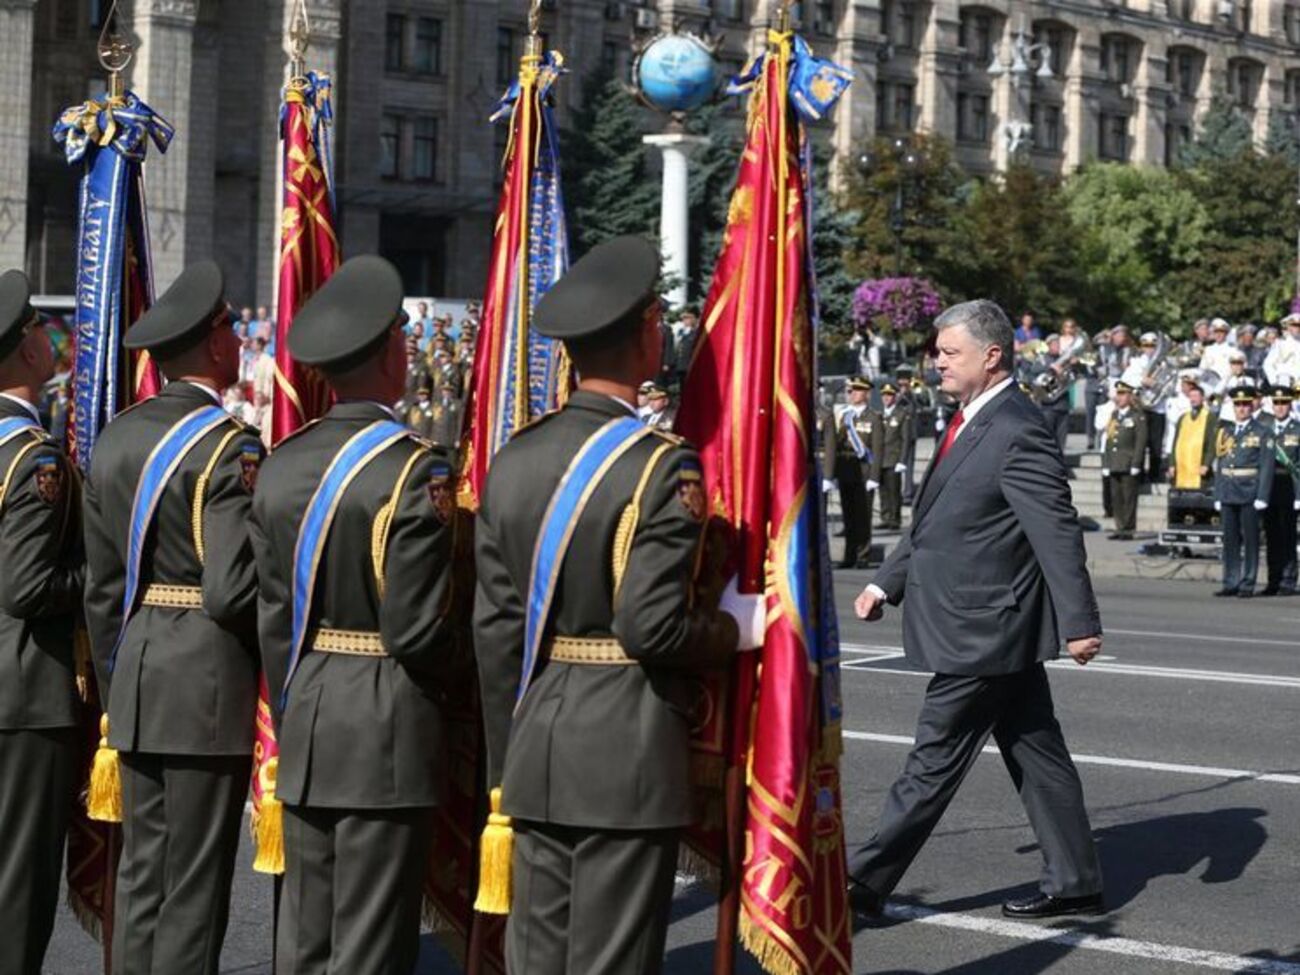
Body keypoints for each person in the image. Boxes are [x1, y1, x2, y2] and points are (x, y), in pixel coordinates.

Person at [473, 236, 763, 975]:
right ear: (645, 336)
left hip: (536, 740)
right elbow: (651, 624)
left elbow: (497, 628)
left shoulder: (515, 457)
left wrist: (508, 761)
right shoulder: (662, 467)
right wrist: (734, 626)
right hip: (625, 750)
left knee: (538, 959)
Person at [848, 299, 1104, 922]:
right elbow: (934, 520)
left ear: (991, 357)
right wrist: (886, 584)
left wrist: (1080, 622)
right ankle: (1075, 881)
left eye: (948, 352)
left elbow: (1056, 530)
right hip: (985, 625)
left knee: (932, 759)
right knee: (1037, 752)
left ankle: (860, 886)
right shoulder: (970, 418)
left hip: (983, 629)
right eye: (937, 352)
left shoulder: (1016, 427)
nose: (936, 362)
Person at [249, 255, 457, 974]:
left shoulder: (279, 462)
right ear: (392, 353)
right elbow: (418, 630)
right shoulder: (415, 470)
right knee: (370, 945)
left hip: (307, 716)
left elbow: (273, 617)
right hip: (385, 727)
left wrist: (303, 695)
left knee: (306, 941)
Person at [82, 261, 263, 975]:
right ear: (216, 343)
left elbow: (103, 589)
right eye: (230, 329)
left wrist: (116, 678)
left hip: (136, 674)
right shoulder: (229, 447)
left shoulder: (117, 436)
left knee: (141, 877)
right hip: (205, 684)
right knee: (192, 888)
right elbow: (229, 588)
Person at [0, 271, 83, 975]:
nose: (46, 337)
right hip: (23, 694)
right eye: (37, 330)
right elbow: (29, 586)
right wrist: (102, 576)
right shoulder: (35, 461)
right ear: (26, 352)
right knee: (19, 886)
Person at [1214, 386, 1275, 598]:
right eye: (1238, 405)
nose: (1241, 409)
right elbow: (1220, 463)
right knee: (1229, 540)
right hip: (1229, 490)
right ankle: (1230, 580)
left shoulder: (1262, 432)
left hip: (1249, 491)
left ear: (1252, 406)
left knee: (1250, 540)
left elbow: (1267, 467)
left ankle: (1247, 581)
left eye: (1245, 405)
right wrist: (1217, 493)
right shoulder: (1226, 431)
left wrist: (1262, 496)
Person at [832, 377, 883, 568]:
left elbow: (878, 449)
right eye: (850, 390)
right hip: (847, 473)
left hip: (864, 474)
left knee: (863, 517)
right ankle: (849, 556)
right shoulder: (844, 416)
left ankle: (863, 556)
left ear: (866, 394)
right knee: (848, 517)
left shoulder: (873, 417)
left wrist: (875, 477)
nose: (852, 394)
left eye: (857, 390)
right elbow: (837, 447)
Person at [1262, 384, 1299, 596]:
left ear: (1290, 404)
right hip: (1269, 489)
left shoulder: (1297, 429)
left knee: (1288, 537)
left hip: (1289, 489)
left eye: (1284, 403)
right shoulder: (1264, 430)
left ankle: (1288, 579)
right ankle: (1273, 579)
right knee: (1272, 536)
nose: (1280, 407)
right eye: (1276, 403)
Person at [1101, 378, 1147, 541]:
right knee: (1116, 497)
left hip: (1128, 462)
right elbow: (1109, 440)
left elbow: (1140, 442)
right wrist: (1106, 462)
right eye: (1118, 394)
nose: (1119, 397)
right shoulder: (1114, 415)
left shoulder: (1137, 416)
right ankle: (1119, 527)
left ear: (1129, 396)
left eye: (1123, 394)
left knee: (1129, 498)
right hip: (1114, 461)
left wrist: (1136, 463)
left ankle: (1128, 529)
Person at [1165, 372, 1218, 491]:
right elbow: (1175, 443)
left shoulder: (1209, 417)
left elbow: (1212, 443)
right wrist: (1172, 464)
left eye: (1196, 396)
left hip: (1199, 467)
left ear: (1202, 398)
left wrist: (1207, 464)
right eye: (1191, 396)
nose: (1193, 399)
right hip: (1182, 467)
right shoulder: (1183, 417)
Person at [1131, 332, 1170, 483]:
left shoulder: (1165, 364)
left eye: (1153, 345)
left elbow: (1169, 383)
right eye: (1146, 346)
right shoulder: (1136, 362)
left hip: (1158, 407)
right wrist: (1142, 380)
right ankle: (1138, 473)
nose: (1150, 349)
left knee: (1156, 443)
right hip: (1140, 407)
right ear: (1141, 347)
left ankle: (1155, 473)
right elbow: (1127, 380)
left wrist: (1159, 385)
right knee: (1140, 441)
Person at [877, 381, 912, 530]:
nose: (886, 398)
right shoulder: (878, 415)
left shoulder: (901, 414)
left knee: (893, 491)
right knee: (883, 491)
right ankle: (885, 517)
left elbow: (906, 439)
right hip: (880, 459)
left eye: (889, 395)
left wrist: (902, 460)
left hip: (893, 458)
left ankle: (895, 519)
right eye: (884, 395)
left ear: (895, 397)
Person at [1263, 314, 1300, 387]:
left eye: (1298, 325)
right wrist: (1274, 382)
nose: (1297, 328)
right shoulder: (1279, 344)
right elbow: (1267, 364)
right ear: (1288, 327)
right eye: (1294, 325)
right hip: (1284, 383)